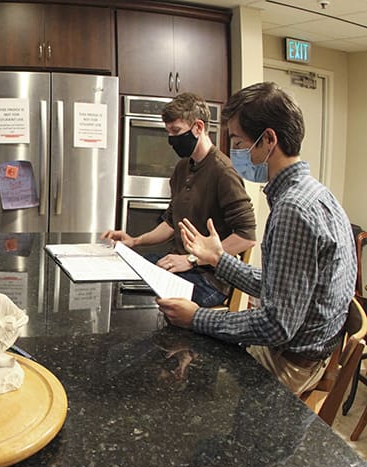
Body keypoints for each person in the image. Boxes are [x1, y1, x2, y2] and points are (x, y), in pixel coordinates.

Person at [158, 82, 357, 396]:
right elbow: (281, 286)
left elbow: (276, 326)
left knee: (193, 389)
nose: (234, 149)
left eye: (237, 140)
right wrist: (218, 260)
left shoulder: (293, 209)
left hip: (291, 360)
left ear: (268, 140)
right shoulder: (316, 193)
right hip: (308, 348)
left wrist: (197, 318)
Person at [102, 92, 256, 307]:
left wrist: (192, 260)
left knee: (143, 298)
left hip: (209, 280)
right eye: (168, 132)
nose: (171, 139)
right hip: (180, 263)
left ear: (198, 128)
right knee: (124, 271)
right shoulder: (183, 167)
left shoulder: (223, 172)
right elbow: (171, 222)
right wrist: (135, 241)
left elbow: (246, 236)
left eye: (176, 131)